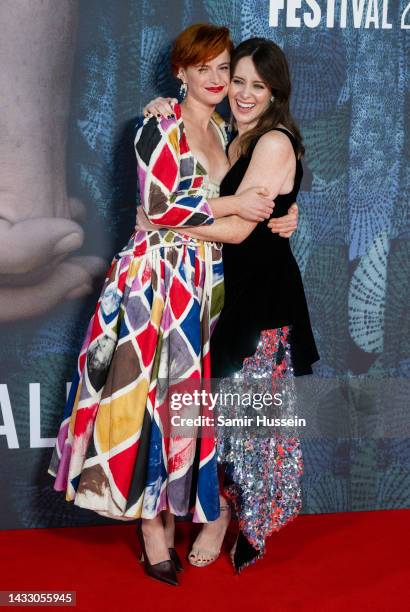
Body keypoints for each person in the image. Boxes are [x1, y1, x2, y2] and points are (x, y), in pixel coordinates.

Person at [47, 24, 281, 587]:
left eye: (224, 68)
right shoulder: (157, 123)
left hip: (205, 285)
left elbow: (247, 207)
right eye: (204, 67)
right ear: (180, 72)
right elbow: (158, 206)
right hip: (150, 284)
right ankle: (152, 529)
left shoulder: (229, 133)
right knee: (143, 404)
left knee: (183, 409)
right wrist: (232, 204)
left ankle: (187, 510)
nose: (217, 79)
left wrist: (275, 215)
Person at [139, 36, 319, 573]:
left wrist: (159, 218)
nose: (240, 91)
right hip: (217, 293)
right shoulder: (229, 134)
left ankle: (236, 523)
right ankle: (218, 512)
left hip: (259, 302)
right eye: (234, 79)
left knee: (252, 424)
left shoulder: (269, 142)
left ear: (275, 93)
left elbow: (240, 232)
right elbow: (257, 206)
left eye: (255, 85)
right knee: (223, 420)